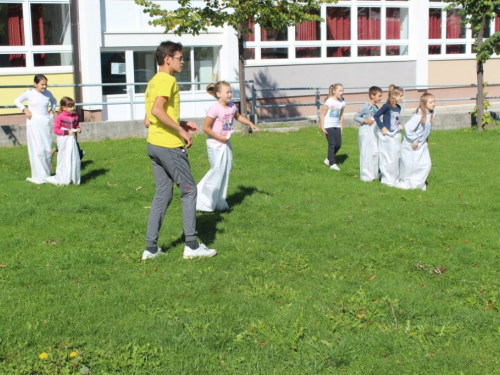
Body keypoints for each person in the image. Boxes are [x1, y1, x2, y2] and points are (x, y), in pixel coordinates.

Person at [142, 40, 217, 260]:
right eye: (180, 57)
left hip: (153, 145)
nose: (183, 61)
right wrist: (180, 131)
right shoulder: (167, 80)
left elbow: (149, 120)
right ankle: (192, 246)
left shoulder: (153, 82)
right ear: (168, 59)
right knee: (189, 190)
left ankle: (151, 248)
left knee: (163, 195)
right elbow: (157, 111)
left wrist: (180, 122)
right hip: (169, 146)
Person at [196, 81, 260, 212]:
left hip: (226, 143)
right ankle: (201, 199)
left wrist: (250, 123)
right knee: (217, 172)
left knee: (225, 171)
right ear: (219, 94)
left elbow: (238, 116)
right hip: (215, 144)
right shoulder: (215, 108)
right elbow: (205, 128)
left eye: (231, 92)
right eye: (228, 92)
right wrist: (219, 138)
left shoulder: (232, 106)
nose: (230, 94)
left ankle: (219, 202)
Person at [14, 74, 57, 184]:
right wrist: (25, 109)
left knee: (47, 148)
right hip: (34, 122)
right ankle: (39, 175)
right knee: (37, 148)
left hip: (45, 123)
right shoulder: (29, 93)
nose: (44, 87)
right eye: (42, 84)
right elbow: (17, 101)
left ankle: (46, 173)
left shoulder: (48, 93)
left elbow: (54, 101)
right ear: (35, 84)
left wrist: (52, 110)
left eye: (46, 85)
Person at [398, 93, 435, 190]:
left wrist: (425, 138)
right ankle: (406, 184)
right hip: (411, 144)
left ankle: (418, 184)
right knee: (410, 166)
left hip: (422, 144)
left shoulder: (432, 113)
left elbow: (427, 128)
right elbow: (408, 128)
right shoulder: (419, 114)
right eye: (431, 102)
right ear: (424, 103)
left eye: (434, 102)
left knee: (426, 164)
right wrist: (415, 140)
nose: (433, 104)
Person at [45, 97, 81, 186]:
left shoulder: (75, 116)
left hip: (72, 140)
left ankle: (73, 178)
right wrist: (67, 132)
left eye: (73, 106)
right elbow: (56, 130)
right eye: (70, 106)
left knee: (74, 158)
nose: (72, 108)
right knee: (64, 158)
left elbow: (77, 125)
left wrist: (78, 129)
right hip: (64, 140)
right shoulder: (59, 117)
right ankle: (63, 178)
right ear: (64, 107)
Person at [374, 84, 404, 187]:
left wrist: (399, 124)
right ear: (394, 96)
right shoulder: (386, 106)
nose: (402, 98)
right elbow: (376, 116)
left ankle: (395, 175)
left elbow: (395, 120)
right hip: (387, 136)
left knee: (396, 155)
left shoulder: (398, 108)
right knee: (388, 156)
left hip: (395, 136)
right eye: (400, 96)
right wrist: (382, 127)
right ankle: (387, 176)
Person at [354, 86, 383, 182]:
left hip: (373, 131)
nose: (380, 98)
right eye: (379, 96)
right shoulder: (365, 107)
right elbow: (356, 116)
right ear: (372, 96)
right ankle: (366, 174)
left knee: (374, 151)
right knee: (366, 152)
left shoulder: (376, 107)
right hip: (366, 131)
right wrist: (365, 120)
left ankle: (374, 173)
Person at [320, 83, 346, 171]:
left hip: (337, 125)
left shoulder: (342, 103)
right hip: (328, 125)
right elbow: (322, 115)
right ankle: (332, 164)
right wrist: (322, 127)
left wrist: (341, 128)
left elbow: (341, 116)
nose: (342, 92)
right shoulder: (329, 102)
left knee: (338, 145)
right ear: (334, 91)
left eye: (342, 90)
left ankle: (328, 159)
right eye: (340, 90)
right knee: (332, 144)